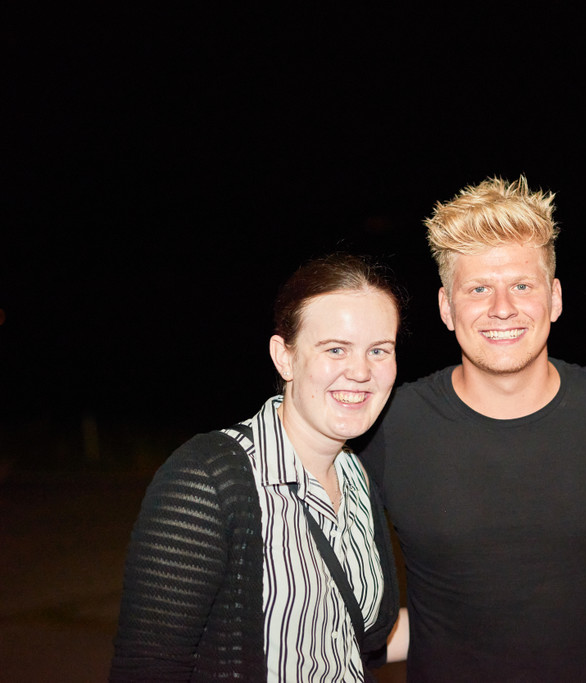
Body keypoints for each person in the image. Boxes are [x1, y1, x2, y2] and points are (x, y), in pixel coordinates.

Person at [357, 177, 586, 682]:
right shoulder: (388, 426)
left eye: (522, 286)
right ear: (446, 307)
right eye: (479, 288)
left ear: (554, 298)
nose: (502, 307)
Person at [110, 253, 406, 681]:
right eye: (335, 349)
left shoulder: (357, 479)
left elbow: (342, 640)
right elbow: (148, 667)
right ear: (284, 357)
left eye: (379, 350)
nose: (361, 371)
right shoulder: (210, 478)